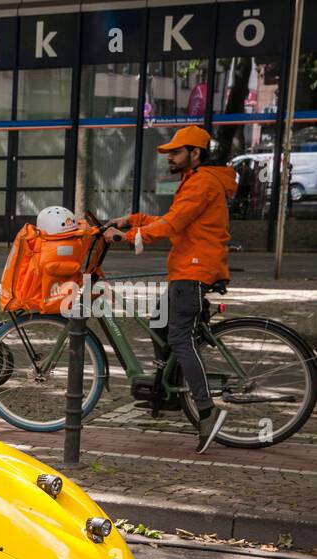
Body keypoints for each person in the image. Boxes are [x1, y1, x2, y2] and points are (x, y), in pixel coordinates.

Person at [103, 126, 238, 453]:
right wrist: (133, 219)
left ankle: (207, 411)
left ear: (196, 153)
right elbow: (173, 219)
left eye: (177, 152)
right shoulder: (194, 181)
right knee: (159, 323)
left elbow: (172, 225)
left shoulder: (203, 182)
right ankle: (168, 392)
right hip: (186, 267)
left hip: (194, 269)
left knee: (178, 336)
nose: (170, 158)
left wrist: (130, 235)